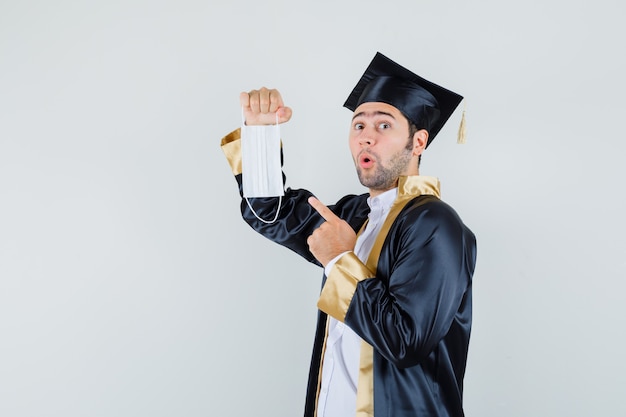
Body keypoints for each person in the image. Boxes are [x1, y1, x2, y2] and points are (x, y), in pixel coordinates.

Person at [220, 52, 477, 417]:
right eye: (358, 126)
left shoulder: (435, 223)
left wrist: (340, 260)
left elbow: (405, 341)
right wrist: (261, 132)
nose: (366, 138)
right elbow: (269, 213)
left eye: (384, 126)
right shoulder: (354, 214)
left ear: (418, 142)